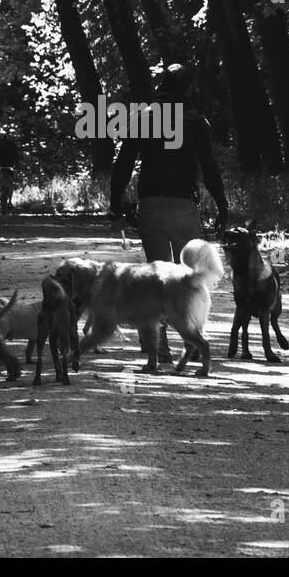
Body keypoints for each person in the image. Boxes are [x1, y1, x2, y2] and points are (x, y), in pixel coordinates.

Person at [108, 64, 229, 362]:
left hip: (151, 205)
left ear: (161, 85)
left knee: (156, 279)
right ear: (188, 89)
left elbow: (123, 164)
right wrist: (222, 204)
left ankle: (158, 348)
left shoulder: (142, 118)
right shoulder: (197, 122)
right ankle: (193, 342)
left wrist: (115, 201)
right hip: (184, 206)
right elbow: (210, 168)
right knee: (192, 277)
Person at [0, 134, 20, 214]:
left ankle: (9, 201)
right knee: (0, 179)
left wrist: (16, 164)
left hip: (8, 165)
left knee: (9, 183)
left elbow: (15, 155)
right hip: (1, 165)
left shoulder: (10, 144)